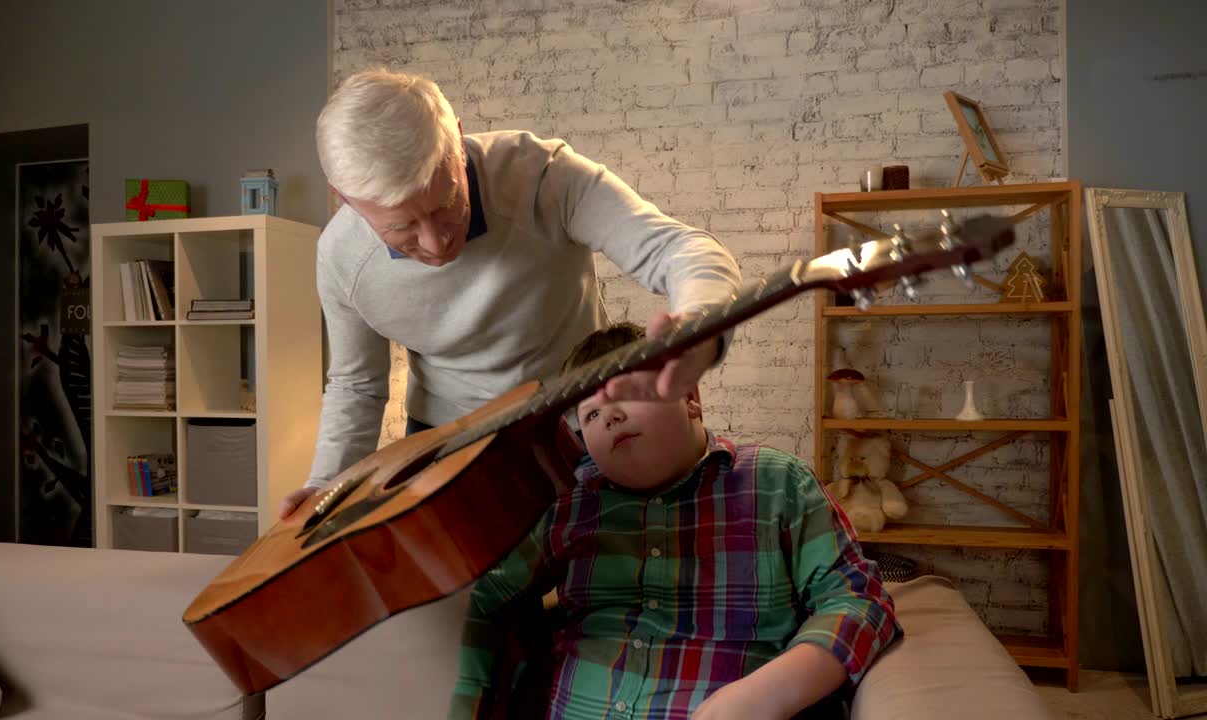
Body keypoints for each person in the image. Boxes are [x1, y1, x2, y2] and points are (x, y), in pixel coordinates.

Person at [279, 68, 744, 517]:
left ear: (457, 142)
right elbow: (357, 385)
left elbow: (678, 248)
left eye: (446, 206)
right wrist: (324, 488)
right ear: (344, 198)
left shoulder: (542, 174)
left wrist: (701, 324)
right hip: (446, 440)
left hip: (575, 419)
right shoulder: (340, 259)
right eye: (402, 228)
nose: (437, 243)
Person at [448, 323, 902, 720]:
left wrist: (772, 692)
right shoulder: (571, 504)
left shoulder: (776, 483)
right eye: (590, 413)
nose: (610, 416)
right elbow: (481, 594)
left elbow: (858, 600)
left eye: (627, 393)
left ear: (689, 396)